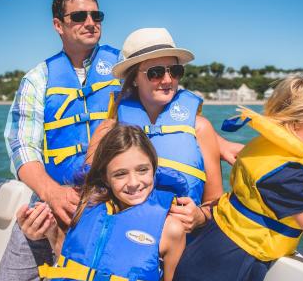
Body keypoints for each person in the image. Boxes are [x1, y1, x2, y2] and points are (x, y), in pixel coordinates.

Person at [0, 0, 241, 281]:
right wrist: (51, 194)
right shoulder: (38, 78)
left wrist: (218, 143)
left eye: (97, 15)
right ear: (58, 25)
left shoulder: (123, 67)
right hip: (60, 198)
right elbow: (21, 145)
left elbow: (169, 112)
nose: (90, 21)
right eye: (79, 16)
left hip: (133, 214)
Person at [168, 74, 303, 281]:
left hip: (210, 251)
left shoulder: (272, 152)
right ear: (294, 125)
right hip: (223, 270)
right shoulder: (288, 177)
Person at [87, 27, 224, 233]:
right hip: (125, 241)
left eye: (175, 71)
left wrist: (199, 216)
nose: (168, 80)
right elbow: (89, 196)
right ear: (134, 78)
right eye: (156, 73)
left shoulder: (201, 128)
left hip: (184, 245)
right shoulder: (108, 131)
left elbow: (215, 202)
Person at [38, 123, 186, 281]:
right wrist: (51, 233)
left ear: (154, 169)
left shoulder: (170, 229)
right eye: (120, 174)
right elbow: (73, 260)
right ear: (105, 178)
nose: (133, 182)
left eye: (142, 170)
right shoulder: (86, 205)